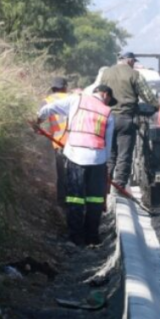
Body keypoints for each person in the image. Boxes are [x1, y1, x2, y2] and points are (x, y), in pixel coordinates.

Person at [36, 85, 116, 246]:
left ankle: (75, 237)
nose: (108, 102)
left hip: (75, 156)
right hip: (97, 159)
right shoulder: (108, 113)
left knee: (75, 198)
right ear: (104, 94)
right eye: (109, 99)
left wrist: (37, 121)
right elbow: (108, 144)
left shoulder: (76, 100)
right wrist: (104, 163)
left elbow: (48, 109)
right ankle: (91, 236)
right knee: (95, 199)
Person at [99, 51, 158, 191]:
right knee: (124, 155)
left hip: (108, 118)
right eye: (133, 62)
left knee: (109, 154)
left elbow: (100, 92)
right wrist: (156, 105)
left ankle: (105, 185)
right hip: (126, 119)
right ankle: (119, 186)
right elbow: (147, 95)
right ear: (130, 61)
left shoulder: (106, 73)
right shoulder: (134, 75)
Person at [39, 77, 71, 207]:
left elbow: (39, 117)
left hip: (58, 142)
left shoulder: (47, 101)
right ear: (65, 87)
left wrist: (36, 126)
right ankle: (77, 199)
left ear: (52, 88)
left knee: (62, 173)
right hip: (76, 141)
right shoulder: (74, 98)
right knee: (75, 172)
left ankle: (62, 201)